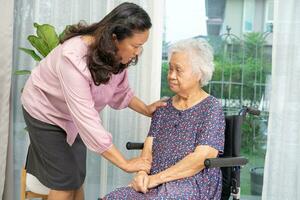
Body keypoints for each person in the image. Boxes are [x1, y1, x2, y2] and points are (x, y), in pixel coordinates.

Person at [21, 2, 166, 200]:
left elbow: (121, 92)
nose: (138, 52)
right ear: (115, 38)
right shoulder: (73, 58)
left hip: (72, 116)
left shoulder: (115, 55)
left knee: (76, 177)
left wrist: (147, 109)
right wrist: (125, 163)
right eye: (136, 46)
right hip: (44, 110)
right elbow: (88, 121)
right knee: (64, 181)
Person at [103, 38, 225, 200]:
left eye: (178, 70)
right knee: (111, 198)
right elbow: (148, 149)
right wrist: (141, 174)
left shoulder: (211, 107)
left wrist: (155, 179)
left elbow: (201, 158)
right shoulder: (163, 107)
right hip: (155, 180)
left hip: (192, 182)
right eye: (170, 69)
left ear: (199, 73)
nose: (172, 76)